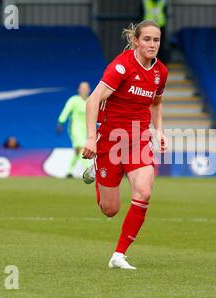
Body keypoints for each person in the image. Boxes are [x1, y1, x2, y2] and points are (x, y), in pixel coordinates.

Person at [82, 20, 168, 269]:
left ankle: (119, 255)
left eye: (157, 40)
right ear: (136, 41)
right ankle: (98, 169)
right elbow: (93, 100)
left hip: (139, 139)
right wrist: (91, 138)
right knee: (110, 210)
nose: (152, 44)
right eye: (147, 39)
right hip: (110, 141)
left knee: (144, 192)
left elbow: (157, 103)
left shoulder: (160, 72)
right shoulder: (121, 67)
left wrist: (158, 131)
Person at [57, 82, 91, 178]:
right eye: (82, 88)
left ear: (89, 90)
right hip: (75, 128)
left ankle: (69, 171)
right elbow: (66, 110)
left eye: (86, 88)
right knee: (82, 147)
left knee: (77, 150)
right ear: (78, 90)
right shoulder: (74, 100)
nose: (84, 90)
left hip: (87, 129)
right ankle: (89, 171)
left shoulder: (91, 101)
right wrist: (61, 122)